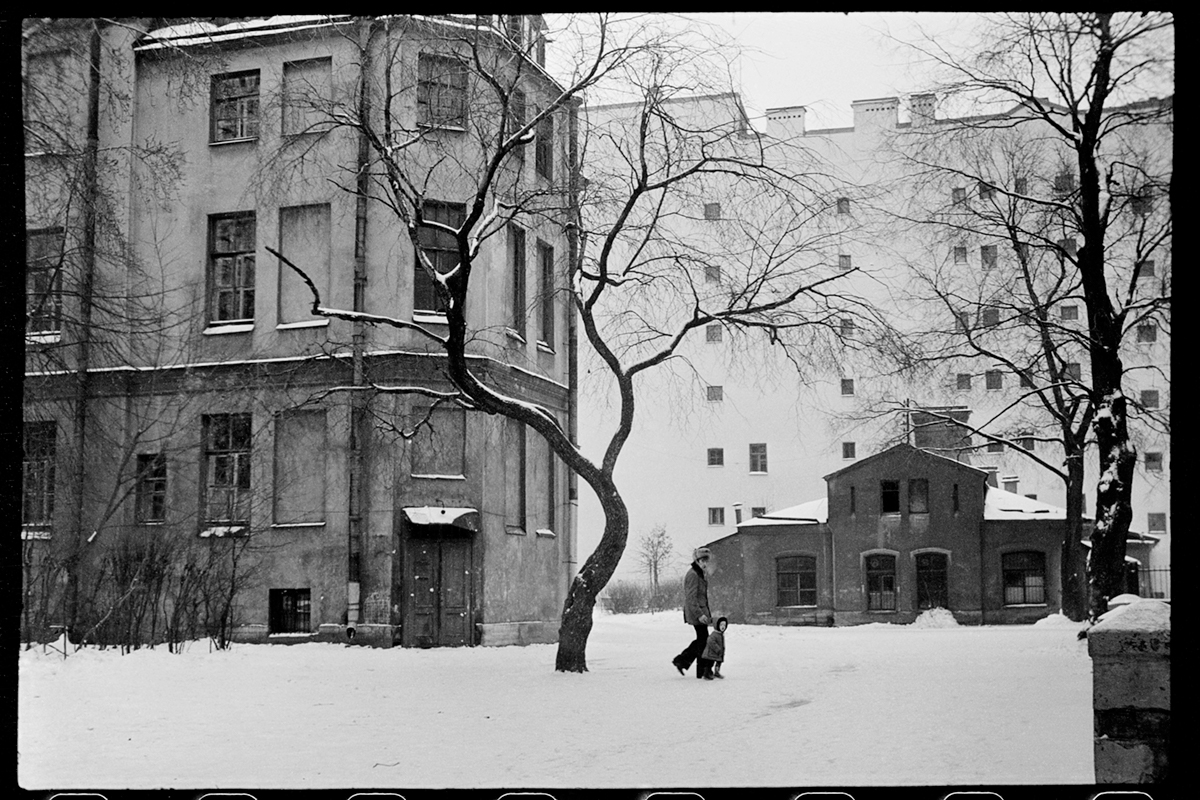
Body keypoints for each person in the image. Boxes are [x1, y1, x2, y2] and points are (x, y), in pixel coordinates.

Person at [672, 546, 714, 679]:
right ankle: (701, 671)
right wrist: (700, 614)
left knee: (702, 640)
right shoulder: (693, 575)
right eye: (702, 560)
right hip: (696, 613)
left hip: (700, 612)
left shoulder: (700, 573)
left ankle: (682, 660)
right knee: (703, 641)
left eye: (707, 560)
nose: (705, 563)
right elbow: (691, 598)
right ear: (697, 560)